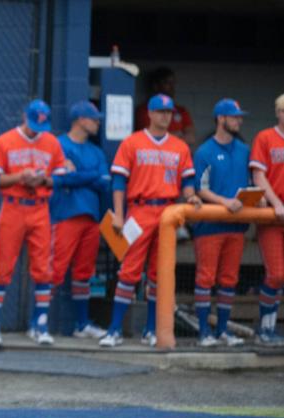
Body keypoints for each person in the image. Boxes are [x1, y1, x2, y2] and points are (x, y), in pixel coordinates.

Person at [100, 94, 200, 348]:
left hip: (167, 211)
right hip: (140, 209)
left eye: (169, 112)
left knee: (159, 274)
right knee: (129, 272)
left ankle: (150, 330)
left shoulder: (179, 147)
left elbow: (187, 181)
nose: (166, 116)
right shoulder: (132, 142)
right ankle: (114, 330)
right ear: (151, 114)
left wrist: (190, 197)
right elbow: (119, 181)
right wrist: (119, 214)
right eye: (161, 112)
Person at [0, 99, 66, 347]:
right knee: (3, 267)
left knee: (43, 267)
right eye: (33, 124)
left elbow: (60, 179)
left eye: (40, 125)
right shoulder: (6, 140)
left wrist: (42, 180)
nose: (36, 130)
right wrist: (21, 176)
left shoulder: (51, 142)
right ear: (24, 117)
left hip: (40, 208)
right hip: (13, 206)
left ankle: (40, 323)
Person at [191, 99, 250, 348]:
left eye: (239, 116)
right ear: (220, 119)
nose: (238, 120)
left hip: (236, 225)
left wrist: (253, 200)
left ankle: (222, 330)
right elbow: (200, 189)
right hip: (210, 226)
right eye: (233, 116)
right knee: (205, 278)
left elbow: (249, 182)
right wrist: (224, 201)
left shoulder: (244, 150)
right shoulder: (204, 151)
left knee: (229, 279)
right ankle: (204, 331)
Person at [50, 101, 110, 339]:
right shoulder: (60, 145)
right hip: (65, 215)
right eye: (94, 119)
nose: (97, 122)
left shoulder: (96, 151)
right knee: (55, 270)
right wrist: (89, 176)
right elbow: (61, 179)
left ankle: (82, 324)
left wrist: (79, 175)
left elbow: (104, 182)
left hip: (91, 217)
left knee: (84, 273)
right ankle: (41, 322)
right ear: (80, 120)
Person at [249, 93, 284, 346]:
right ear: (278, 112)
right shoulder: (265, 137)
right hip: (272, 215)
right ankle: (265, 328)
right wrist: (276, 203)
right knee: (276, 274)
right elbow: (259, 176)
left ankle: (271, 328)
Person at [135, 67, 196, 147]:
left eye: (173, 83)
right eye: (167, 83)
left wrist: (165, 135)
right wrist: (178, 134)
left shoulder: (181, 110)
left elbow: (191, 138)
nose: (172, 87)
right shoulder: (144, 110)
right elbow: (148, 136)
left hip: (176, 155)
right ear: (155, 86)